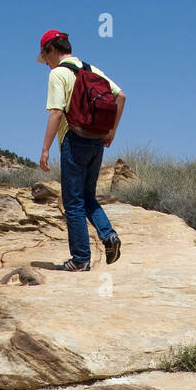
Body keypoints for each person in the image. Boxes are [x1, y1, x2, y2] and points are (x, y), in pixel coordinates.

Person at [37, 29, 126, 272]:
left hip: (74, 141)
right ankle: (108, 236)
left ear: (52, 50)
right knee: (87, 197)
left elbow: (56, 112)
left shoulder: (59, 74)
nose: (45, 63)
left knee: (73, 202)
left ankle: (80, 259)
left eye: (45, 57)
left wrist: (45, 149)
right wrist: (111, 132)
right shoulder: (91, 70)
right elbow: (121, 97)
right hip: (97, 141)